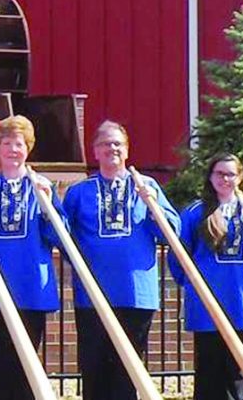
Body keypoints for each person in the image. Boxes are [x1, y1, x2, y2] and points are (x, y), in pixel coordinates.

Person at [62, 121, 179, 400]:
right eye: (105, 143)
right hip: (93, 295)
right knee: (94, 370)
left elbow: (171, 233)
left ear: (127, 150)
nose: (112, 148)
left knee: (127, 373)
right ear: (95, 151)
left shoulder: (146, 186)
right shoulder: (80, 193)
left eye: (118, 144)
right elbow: (62, 235)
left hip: (136, 294)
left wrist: (153, 207)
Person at [168, 155, 243, 400]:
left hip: (241, 301)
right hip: (208, 304)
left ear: (240, 177)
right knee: (209, 371)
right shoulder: (195, 213)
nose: (225, 179)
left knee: (238, 372)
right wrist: (193, 287)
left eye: (230, 174)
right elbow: (178, 255)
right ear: (210, 177)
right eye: (219, 174)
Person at [0, 115, 59, 400]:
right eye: (6, 143)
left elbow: (60, 238)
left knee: (28, 366)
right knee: (0, 365)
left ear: (28, 148)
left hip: (31, 289)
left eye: (18, 143)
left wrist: (49, 208)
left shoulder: (43, 188)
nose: (12, 149)